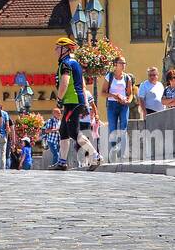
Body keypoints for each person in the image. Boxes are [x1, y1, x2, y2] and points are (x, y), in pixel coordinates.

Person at [53, 36, 102, 171]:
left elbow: (65, 82)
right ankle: (62, 162)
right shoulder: (73, 62)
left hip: (72, 101)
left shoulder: (66, 63)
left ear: (65, 49)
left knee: (74, 133)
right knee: (63, 131)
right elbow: (83, 84)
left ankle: (95, 156)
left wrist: (59, 99)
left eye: (57, 47)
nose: (55, 50)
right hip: (74, 101)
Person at [104, 56, 135, 161]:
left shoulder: (127, 78)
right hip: (112, 105)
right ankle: (113, 151)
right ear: (115, 64)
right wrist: (114, 96)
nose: (123, 65)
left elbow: (130, 94)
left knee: (123, 127)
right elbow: (103, 93)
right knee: (112, 128)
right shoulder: (109, 76)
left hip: (123, 105)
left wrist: (128, 101)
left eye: (124, 63)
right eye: (121, 63)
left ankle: (122, 154)